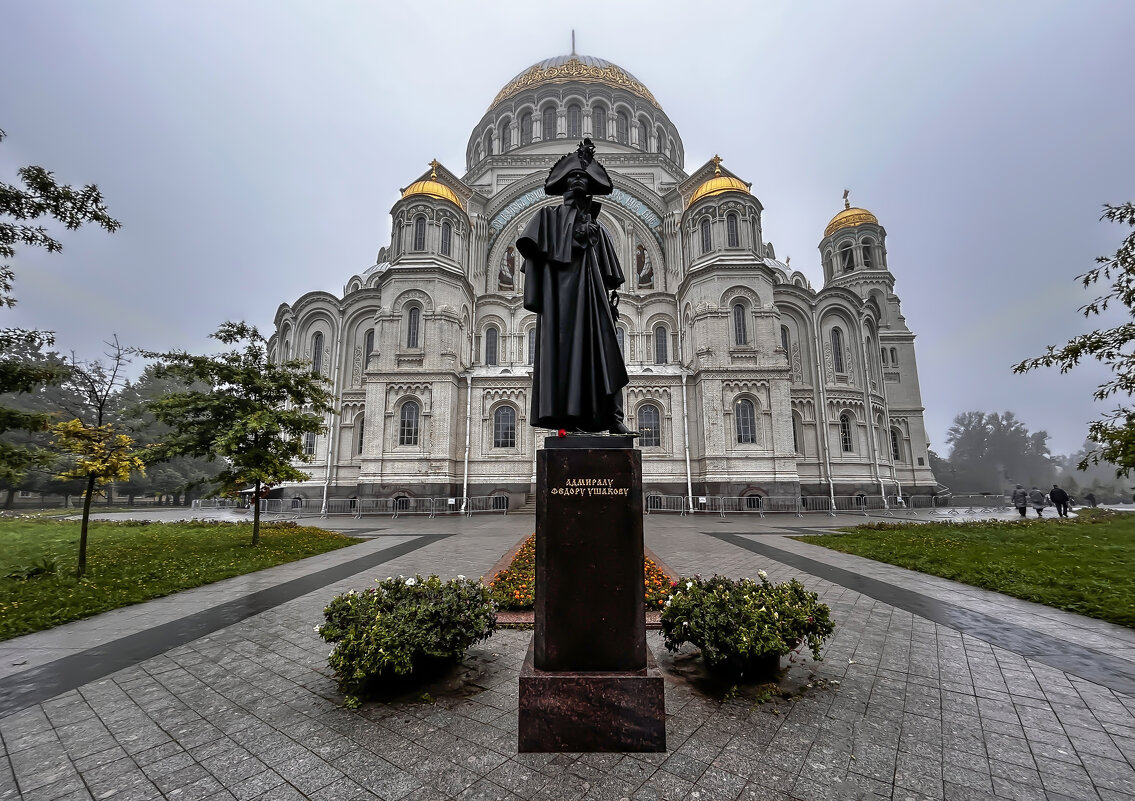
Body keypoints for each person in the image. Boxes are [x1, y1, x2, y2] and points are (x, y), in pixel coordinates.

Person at [518, 138, 632, 434]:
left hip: (594, 302)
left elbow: (610, 274)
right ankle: (570, 420)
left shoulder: (599, 226)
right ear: (565, 184)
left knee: (604, 353)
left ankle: (612, 418)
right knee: (568, 355)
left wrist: (610, 302)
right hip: (562, 304)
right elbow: (533, 254)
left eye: (583, 176)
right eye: (574, 176)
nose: (579, 180)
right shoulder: (547, 217)